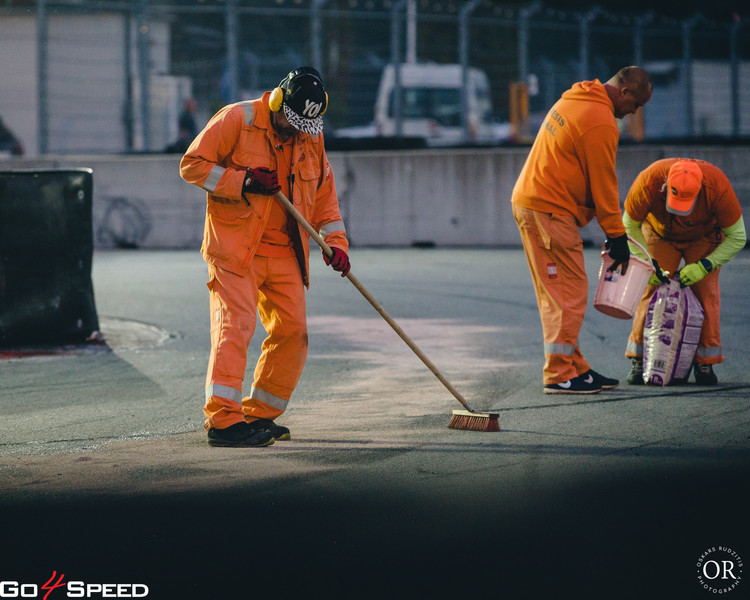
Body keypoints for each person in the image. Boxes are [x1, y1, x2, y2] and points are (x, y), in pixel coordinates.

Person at [180, 66, 351, 447]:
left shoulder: (310, 134)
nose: (294, 133)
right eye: (288, 123)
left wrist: (336, 242)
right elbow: (192, 165)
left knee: (292, 332)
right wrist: (244, 181)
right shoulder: (236, 120)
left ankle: (259, 414)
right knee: (235, 328)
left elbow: (325, 197)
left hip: (285, 250)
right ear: (276, 100)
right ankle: (223, 422)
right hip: (236, 249)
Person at [511, 66, 653, 394]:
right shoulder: (600, 120)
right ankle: (559, 374)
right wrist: (616, 234)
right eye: (637, 104)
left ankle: (576, 368)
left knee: (561, 293)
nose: (635, 112)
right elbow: (603, 181)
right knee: (569, 294)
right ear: (626, 92)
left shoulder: (576, 98)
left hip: (535, 203)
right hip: (549, 210)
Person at [623, 158, 746, 385]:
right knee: (650, 287)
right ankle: (640, 358)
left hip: (703, 235)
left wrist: (705, 266)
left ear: (700, 191)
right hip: (659, 232)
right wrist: (647, 263)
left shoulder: (717, 188)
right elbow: (628, 225)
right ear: (665, 186)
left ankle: (704, 362)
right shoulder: (648, 181)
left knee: (705, 293)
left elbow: (738, 236)